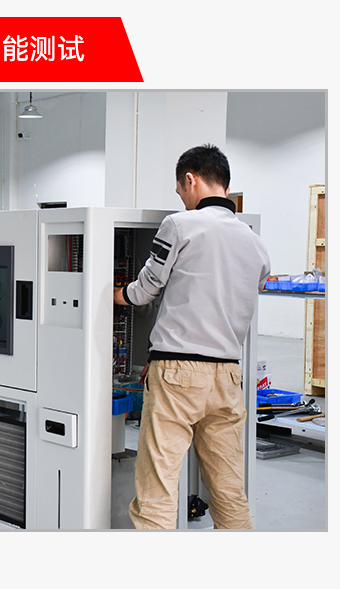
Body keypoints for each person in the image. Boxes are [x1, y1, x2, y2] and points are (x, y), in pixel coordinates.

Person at [113, 144, 270, 529]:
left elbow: (146, 289)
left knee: (157, 490)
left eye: (180, 190)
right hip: (227, 377)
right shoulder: (254, 242)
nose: (181, 198)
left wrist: (115, 295)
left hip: (177, 374)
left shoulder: (179, 225)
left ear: (191, 179)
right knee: (229, 491)